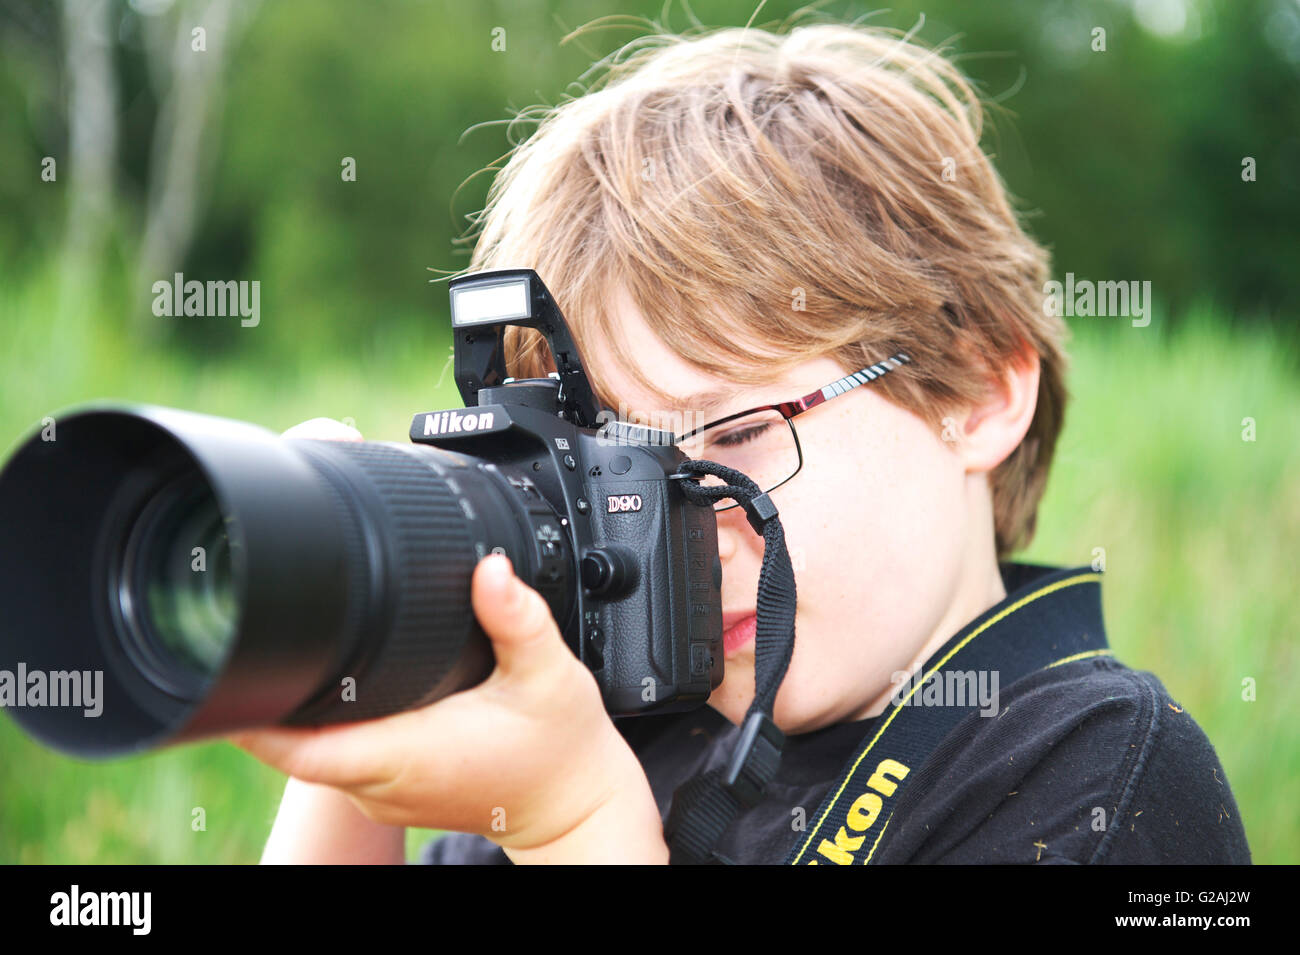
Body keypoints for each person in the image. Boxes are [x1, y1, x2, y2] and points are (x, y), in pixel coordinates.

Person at [233, 21, 1250, 864]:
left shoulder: (1101, 774)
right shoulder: (611, 728)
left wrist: (580, 824)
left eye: (733, 440)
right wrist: (362, 667)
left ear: (979, 393)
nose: (684, 532)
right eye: (613, 471)